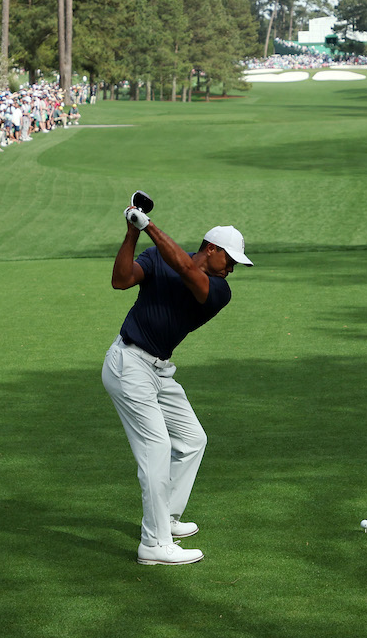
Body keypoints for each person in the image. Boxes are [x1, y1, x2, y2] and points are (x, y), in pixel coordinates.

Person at [103, 205, 252, 566]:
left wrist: (148, 223)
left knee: (192, 439)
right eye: (230, 259)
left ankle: (165, 517)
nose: (232, 268)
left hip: (158, 369)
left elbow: (186, 269)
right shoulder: (157, 256)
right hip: (128, 364)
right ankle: (154, 543)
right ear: (211, 248)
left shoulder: (219, 290)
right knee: (157, 449)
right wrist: (133, 231)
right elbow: (120, 280)